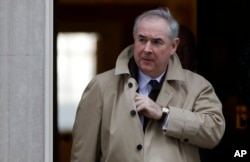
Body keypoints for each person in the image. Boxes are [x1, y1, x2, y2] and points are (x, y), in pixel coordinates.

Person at [71, 7, 225, 162]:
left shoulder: (197, 86)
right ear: (134, 38)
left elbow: (214, 132)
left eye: (157, 42)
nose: (147, 49)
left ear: (173, 46)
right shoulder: (101, 86)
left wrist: (165, 114)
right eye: (142, 40)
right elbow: (83, 155)